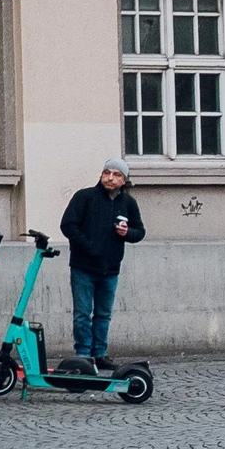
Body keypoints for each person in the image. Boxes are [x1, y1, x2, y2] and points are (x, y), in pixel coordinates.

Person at [59, 157, 145, 370]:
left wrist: (127, 233)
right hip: (83, 267)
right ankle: (83, 354)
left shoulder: (128, 203)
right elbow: (68, 225)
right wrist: (88, 247)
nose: (110, 178)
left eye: (116, 175)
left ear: (124, 180)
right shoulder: (85, 197)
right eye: (107, 173)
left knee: (103, 314)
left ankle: (100, 354)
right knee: (82, 314)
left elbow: (140, 232)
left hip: (111, 269)